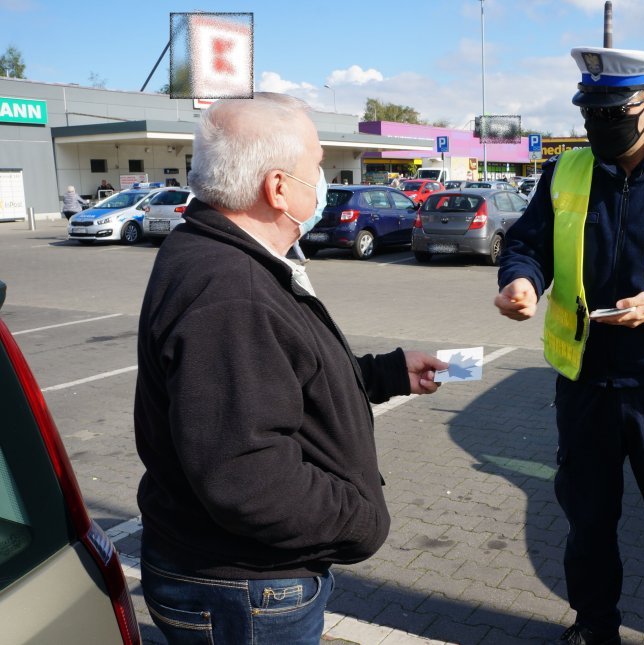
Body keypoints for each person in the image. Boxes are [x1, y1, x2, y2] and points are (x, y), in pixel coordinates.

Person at [133, 92, 447, 645]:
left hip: (238, 584)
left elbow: (276, 378)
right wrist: (360, 520)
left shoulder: (224, 253)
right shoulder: (231, 290)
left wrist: (385, 374)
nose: (323, 180)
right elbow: (246, 478)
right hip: (245, 593)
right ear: (278, 188)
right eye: (318, 165)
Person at [494, 47, 644, 645]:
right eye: (590, 116)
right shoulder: (566, 173)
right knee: (588, 527)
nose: (599, 127)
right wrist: (520, 279)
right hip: (585, 389)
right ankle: (594, 628)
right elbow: (528, 243)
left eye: (612, 114)